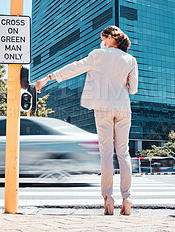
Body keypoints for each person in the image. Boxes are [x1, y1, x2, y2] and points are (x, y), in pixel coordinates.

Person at [32, 25, 138, 215]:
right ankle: (127, 198)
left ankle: (108, 198)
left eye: (103, 39)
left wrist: (48, 77)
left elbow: (75, 68)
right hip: (123, 108)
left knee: (106, 153)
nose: (101, 42)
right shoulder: (130, 59)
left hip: (103, 108)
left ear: (109, 38)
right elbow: (133, 89)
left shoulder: (98, 55)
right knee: (124, 153)